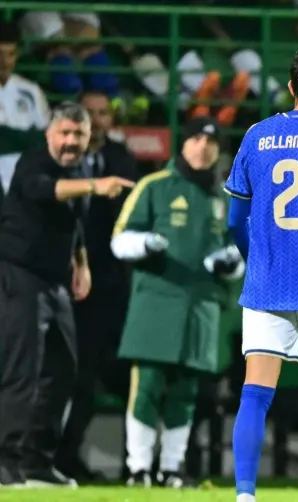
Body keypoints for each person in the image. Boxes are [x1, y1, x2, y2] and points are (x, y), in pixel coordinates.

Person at [224, 47, 298, 502]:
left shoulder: (256, 135)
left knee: (256, 392)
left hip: (267, 283)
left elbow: (235, 221)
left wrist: (258, 258)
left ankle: (245, 494)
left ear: (291, 88)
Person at [0, 102, 134, 488]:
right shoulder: (33, 162)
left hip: (55, 282)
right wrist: (95, 184)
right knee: (21, 371)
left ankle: (37, 460)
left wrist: (81, 261)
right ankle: (6, 460)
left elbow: (72, 221)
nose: (72, 141)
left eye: (79, 134)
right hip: (20, 275)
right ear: (49, 134)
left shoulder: (74, 171)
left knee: (64, 371)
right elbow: (46, 191)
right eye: (65, 133)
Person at [111, 116, 244, 489]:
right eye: (197, 139)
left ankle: (171, 468)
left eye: (211, 142)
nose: (203, 147)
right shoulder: (154, 186)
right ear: (183, 144)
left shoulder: (225, 197)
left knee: (186, 391)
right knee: (148, 384)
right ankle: (138, 468)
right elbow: (119, 239)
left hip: (202, 304)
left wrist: (231, 263)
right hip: (157, 299)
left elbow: (237, 253)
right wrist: (145, 244)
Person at [57, 89, 140, 482]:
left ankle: (134, 465)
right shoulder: (63, 164)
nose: (98, 120)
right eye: (90, 113)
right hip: (71, 287)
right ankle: (63, 458)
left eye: (103, 112)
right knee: (77, 379)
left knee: (127, 379)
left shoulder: (122, 159)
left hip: (114, 289)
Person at [0, 19, 50, 208]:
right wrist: (26, 139)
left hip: (26, 184)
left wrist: (7, 136)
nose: (5, 62)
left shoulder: (30, 91)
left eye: (10, 54)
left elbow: (46, 140)